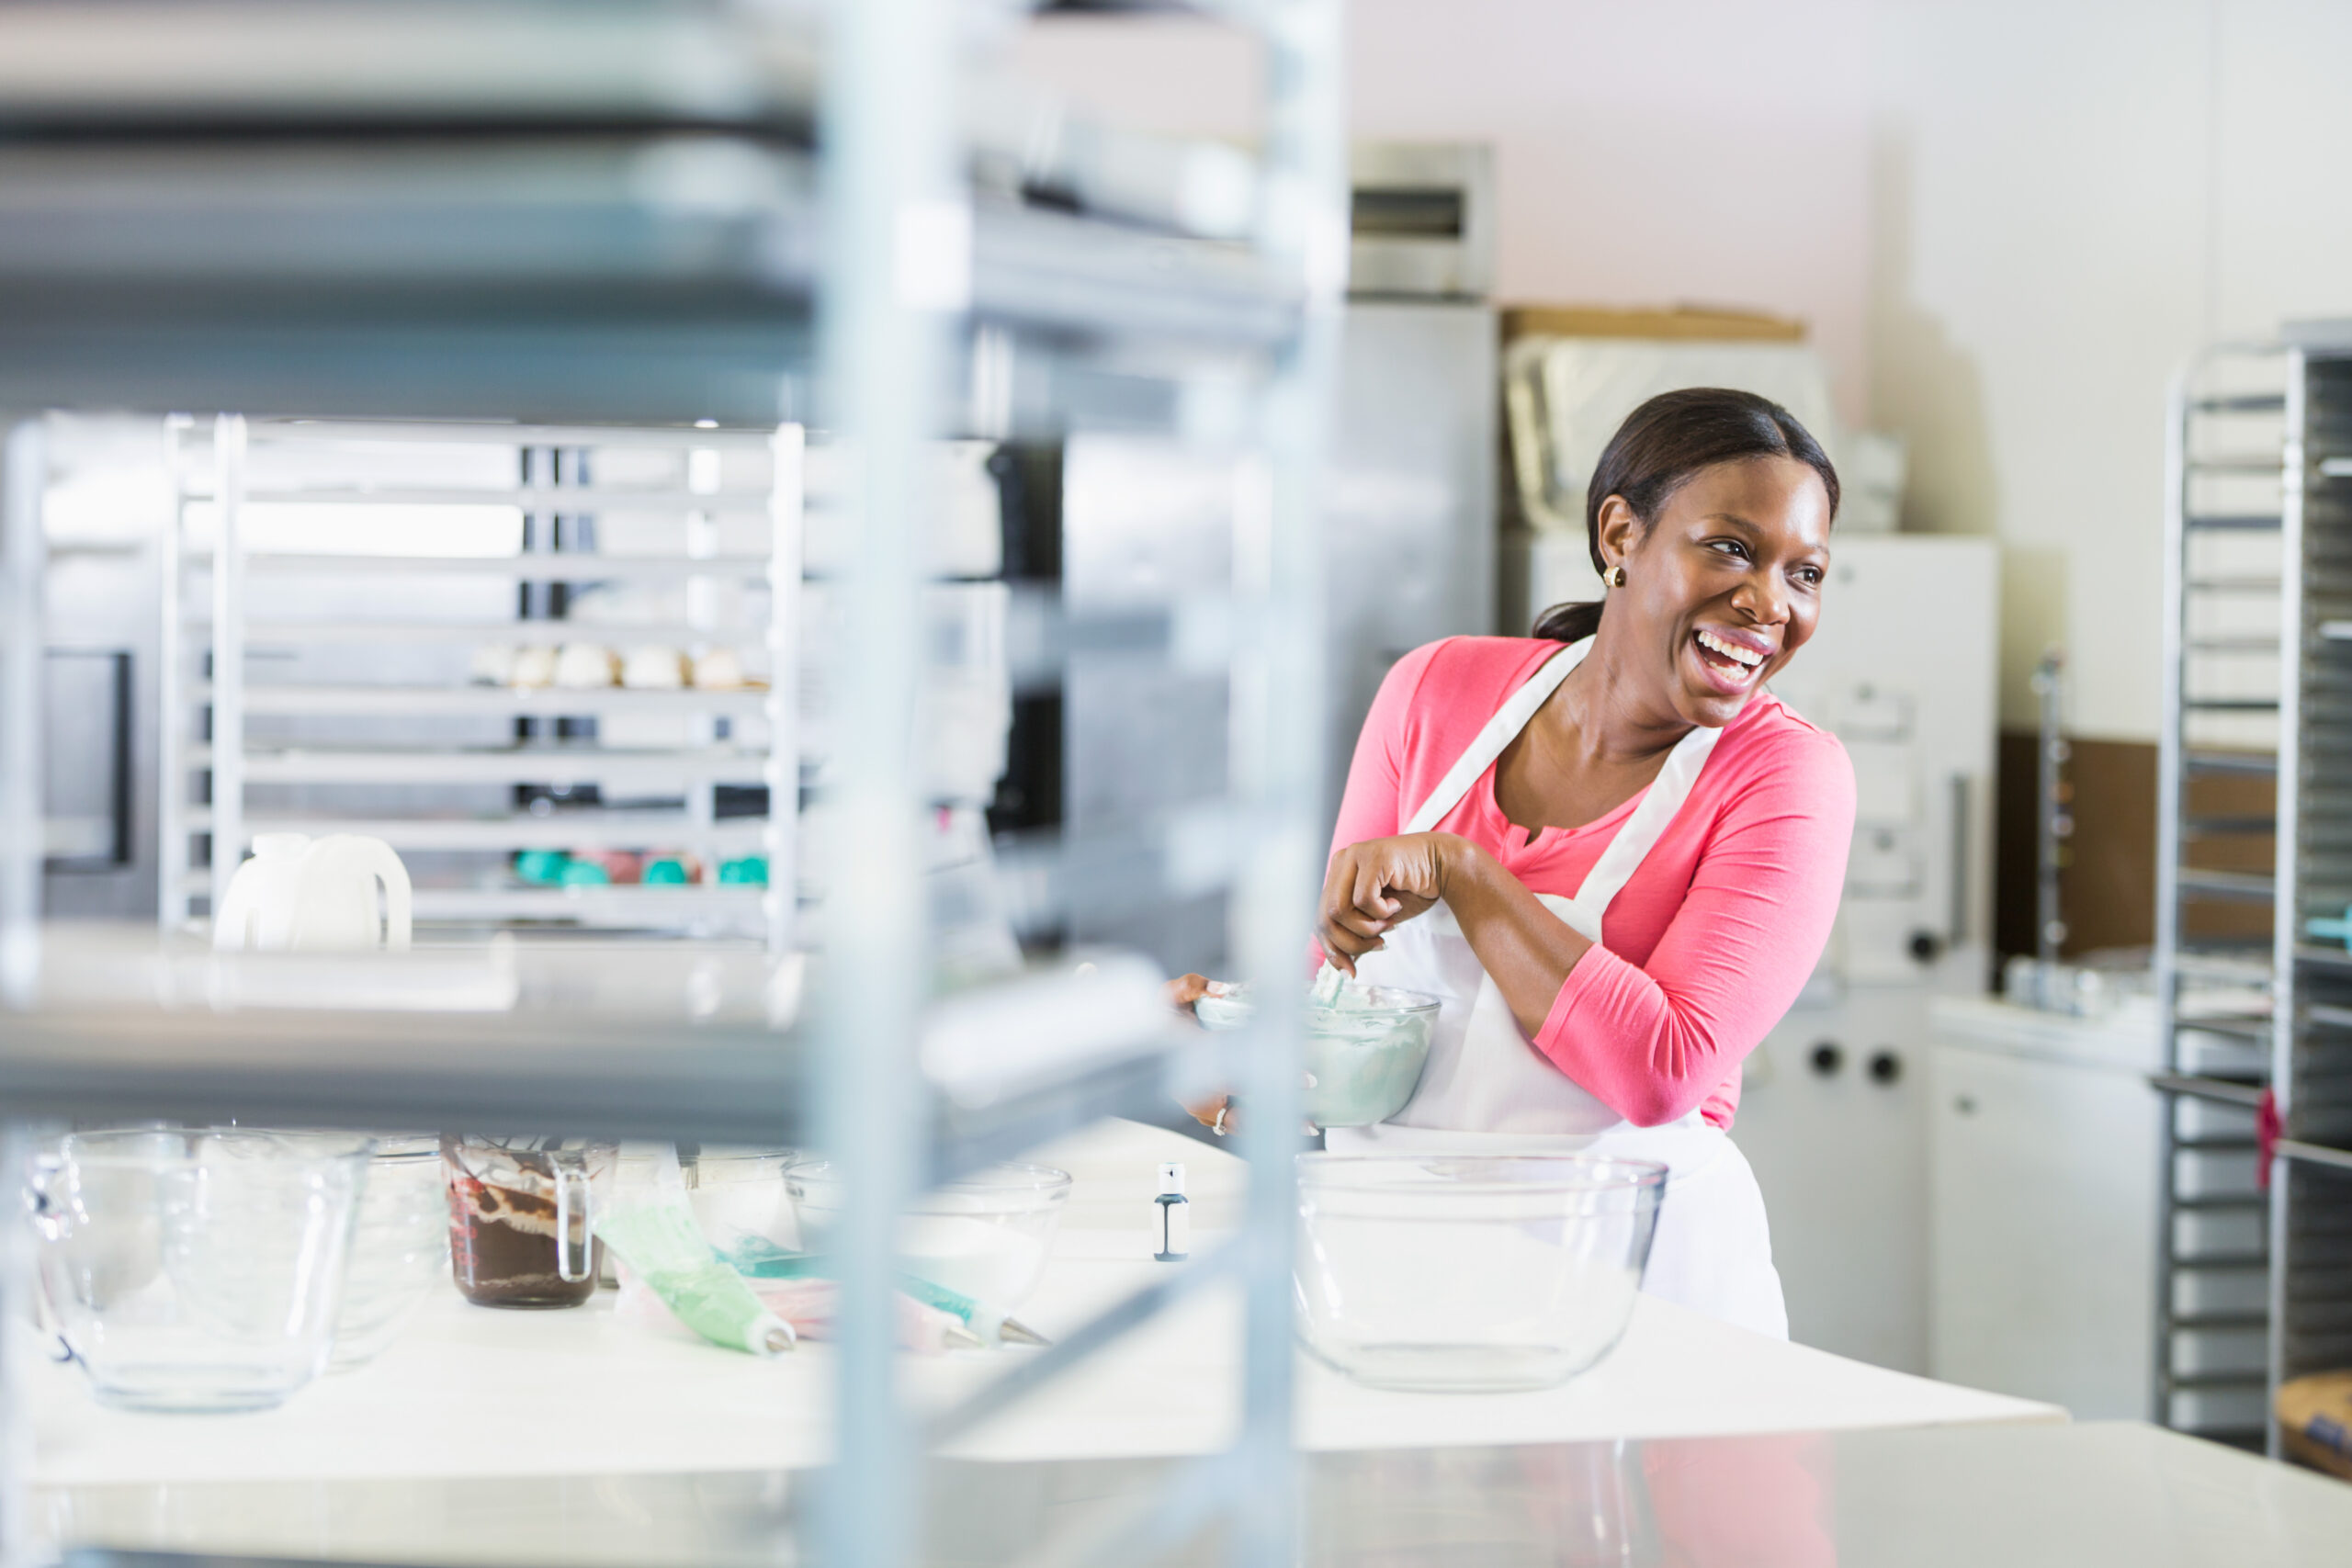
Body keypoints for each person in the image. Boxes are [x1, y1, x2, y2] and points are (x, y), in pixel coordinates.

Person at [1177, 387, 1856, 1338]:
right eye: (1731, 548)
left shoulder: (1785, 775)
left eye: (1806, 573)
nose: (1768, 604)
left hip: (1640, 1301)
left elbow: (1662, 1072)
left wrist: (1468, 872)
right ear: (1619, 533)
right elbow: (1338, 991)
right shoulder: (1434, 691)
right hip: (1391, 1272)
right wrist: (1236, 1049)